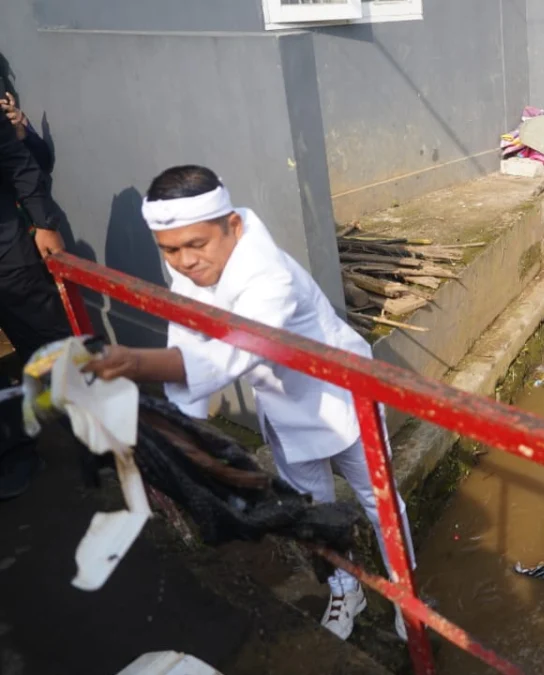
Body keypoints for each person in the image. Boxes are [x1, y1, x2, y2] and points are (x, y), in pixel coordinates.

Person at [82, 165, 414, 642]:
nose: (185, 261)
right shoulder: (192, 272)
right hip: (282, 406)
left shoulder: (268, 275)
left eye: (196, 245)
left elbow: (236, 350)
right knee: (311, 508)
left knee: (380, 501)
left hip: (343, 396)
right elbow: (189, 339)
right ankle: (346, 589)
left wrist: (134, 362)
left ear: (232, 225)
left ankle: (408, 594)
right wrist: (184, 437)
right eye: (170, 250)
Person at [0, 96, 72, 500]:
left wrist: (44, 224)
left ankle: (97, 430)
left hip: (7, 251)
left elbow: (19, 161)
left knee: (47, 341)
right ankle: (13, 453)